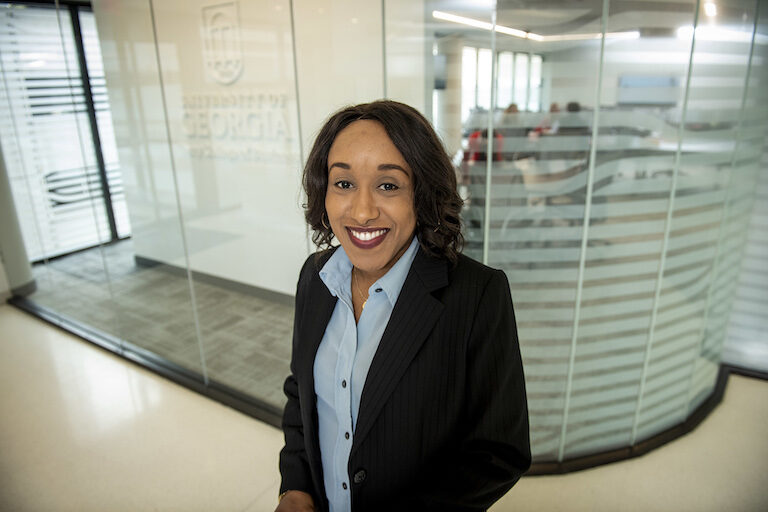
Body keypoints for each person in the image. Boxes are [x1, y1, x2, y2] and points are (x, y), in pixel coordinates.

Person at [276, 100, 530, 512]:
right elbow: (300, 393)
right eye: (343, 184)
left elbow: (499, 452)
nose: (361, 211)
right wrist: (296, 487)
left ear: (422, 192)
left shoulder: (478, 294)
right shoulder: (315, 277)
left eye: (388, 185)